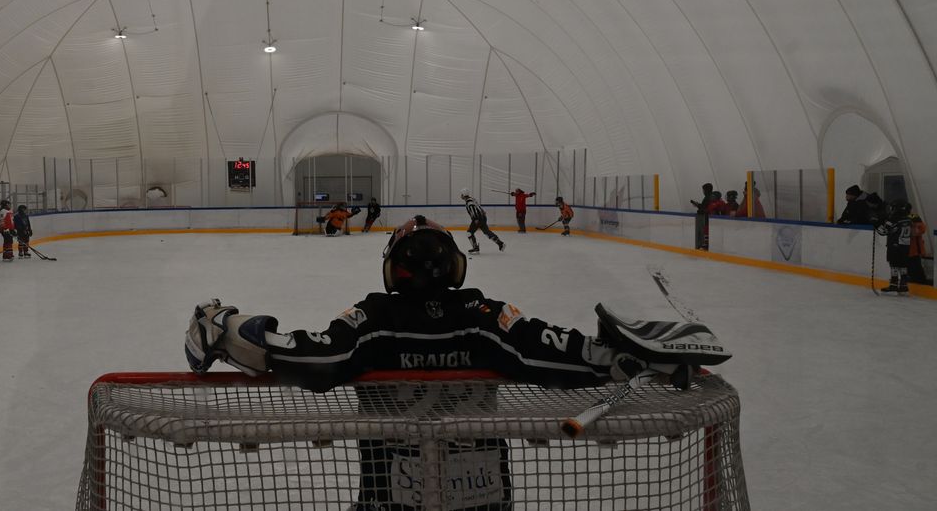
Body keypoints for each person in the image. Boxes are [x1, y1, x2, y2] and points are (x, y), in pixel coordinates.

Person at [184, 215, 720, 509]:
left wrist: (228, 332)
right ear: (453, 266)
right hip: (486, 502)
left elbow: (315, 355)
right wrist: (627, 360)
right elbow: (558, 350)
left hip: (387, 502)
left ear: (395, 270)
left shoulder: (375, 318)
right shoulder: (483, 314)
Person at [877, 201, 914, 294]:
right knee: (903, 264)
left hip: (894, 244)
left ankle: (893, 284)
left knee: (894, 264)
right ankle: (903, 285)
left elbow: (882, 231)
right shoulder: (908, 219)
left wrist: (876, 224)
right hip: (905, 245)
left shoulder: (893, 219)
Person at [461, 189, 505, 254]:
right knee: (487, 232)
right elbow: (479, 207)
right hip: (482, 217)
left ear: (464, 195)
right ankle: (500, 243)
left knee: (469, 233)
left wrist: (476, 219)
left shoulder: (469, 202)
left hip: (477, 219)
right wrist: (482, 212)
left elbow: (474, 211)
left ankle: (475, 248)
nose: (461, 196)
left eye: (461, 194)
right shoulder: (472, 199)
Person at [690, 183, 716, 249]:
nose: (703, 191)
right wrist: (698, 205)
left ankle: (706, 245)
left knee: (706, 231)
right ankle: (706, 244)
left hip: (707, 218)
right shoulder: (711, 196)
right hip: (710, 218)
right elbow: (705, 207)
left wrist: (698, 206)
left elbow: (704, 208)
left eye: (703, 190)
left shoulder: (708, 197)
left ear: (706, 190)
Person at [908, 211, 930, 286]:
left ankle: (921, 281)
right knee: (911, 266)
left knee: (916, 266)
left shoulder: (914, 217)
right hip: (907, 249)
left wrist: (912, 228)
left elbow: (922, 229)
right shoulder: (901, 217)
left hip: (915, 250)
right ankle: (915, 280)